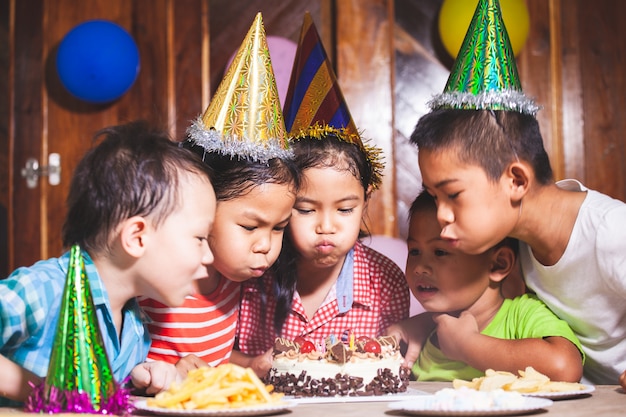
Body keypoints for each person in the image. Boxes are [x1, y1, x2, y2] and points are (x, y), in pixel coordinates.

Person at [389, 0, 626, 385]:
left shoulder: (612, 231)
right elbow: (488, 309)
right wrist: (422, 326)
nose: (443, 215)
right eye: (435, 197)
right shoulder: (513, 237)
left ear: (515, 180)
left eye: (452, 195)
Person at [235, 13, 410, 377]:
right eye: (305, 209)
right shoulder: (254, 276)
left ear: (366, 198)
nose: (326, 227)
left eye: (345, 209)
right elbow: (226, 356)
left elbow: (393, 365)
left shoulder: (385, 281)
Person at [0, 121, 216, 405]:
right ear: (137, 237)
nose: (209, 256)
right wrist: (38, 391)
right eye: (200, 237)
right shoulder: (45, 289)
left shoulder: (136, 327)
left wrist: (143, 381)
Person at [137, 12, 299, 377]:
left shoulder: (233, 279)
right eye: (250, 226)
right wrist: (166, 372)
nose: (266, 246)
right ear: (203, 206)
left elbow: (213, 361)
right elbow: (110, 358)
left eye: (278, 228)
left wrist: (252, 364)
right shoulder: (154, 279)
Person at [405, 191, 583, 382]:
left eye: (440, 252)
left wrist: (467, 345)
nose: (419, 268)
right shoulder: (421, 336)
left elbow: (564, 367)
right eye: (414, 251)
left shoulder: (521, 316)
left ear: (499, 264)